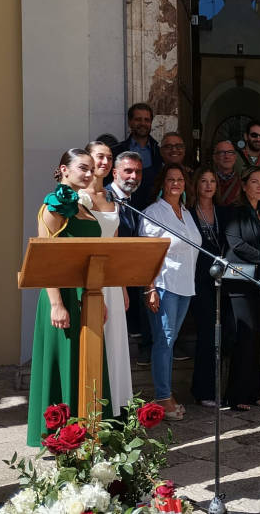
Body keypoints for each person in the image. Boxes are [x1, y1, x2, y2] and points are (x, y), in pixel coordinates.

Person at [27, 149, 104, 446]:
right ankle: (60, 435)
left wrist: (100, 300)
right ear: (64, 170)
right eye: (82, 168)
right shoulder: (53, 206)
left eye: (91, 169)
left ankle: (87, 430)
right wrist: (57, 304)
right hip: (62, 295)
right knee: (64, 362)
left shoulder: (83, 204)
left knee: (87, 363)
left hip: (88, 296)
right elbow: (45, 261)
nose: (88, 174)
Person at [140, 163, 202, 421]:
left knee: (170, 340)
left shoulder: (186, 212)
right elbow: (146, 253)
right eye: (171, 179)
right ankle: (163, 396)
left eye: (180, 179)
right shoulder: (154, 212)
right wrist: (150, 287)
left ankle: (163, 393)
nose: (176, 183)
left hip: (186, 285)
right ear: (162, 183)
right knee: (164, 341)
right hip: (164, 285)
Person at [223, 166, 260, 410]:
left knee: (256, 338)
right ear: (244, 185)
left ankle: (253, 389)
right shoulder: (234, 212)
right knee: (243, 337)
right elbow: (236, 244)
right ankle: (236, 395)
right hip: (239, 282)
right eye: (255, 182)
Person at [83, 141, 133, 416]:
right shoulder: (78, 197)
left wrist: (122, 286)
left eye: (108, 157)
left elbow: (115, 246)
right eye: (99, 156)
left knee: (115, 344)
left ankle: (116, 411)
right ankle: (92, 408)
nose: (104, 161)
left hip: (112, 281)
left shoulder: (111, 198)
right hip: (89, 279)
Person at [188, 166, 230, 407]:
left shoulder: (223, 212)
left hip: (222, 280)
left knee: (222, 334)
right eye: (203, 180)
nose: (208, 185)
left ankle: (218, 388)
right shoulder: (188, 213)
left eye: (212, 180)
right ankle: (203, 390)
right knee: (206, 334)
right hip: (198, 280)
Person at [107, 151, 152, 364]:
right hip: (109, 279)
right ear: (115, 173)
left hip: (126, 277)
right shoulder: (105, 198)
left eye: (138, 172)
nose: (134, 176)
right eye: (128, 171)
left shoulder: (131, 202)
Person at [110, 102, 162, 209]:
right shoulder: (117, 151)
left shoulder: (159, 151)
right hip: (125, 208)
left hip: (153, 209)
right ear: (130, 122)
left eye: (146, 120)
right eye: (138, 119)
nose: (143, 123)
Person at [212, 140, 242, 206]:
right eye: (222, 153)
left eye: (230, 152)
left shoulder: (242, 181)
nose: (227, 156)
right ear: (214, 157)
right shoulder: (208, 180)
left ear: (235, 157)